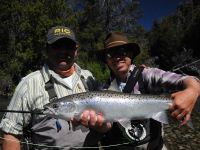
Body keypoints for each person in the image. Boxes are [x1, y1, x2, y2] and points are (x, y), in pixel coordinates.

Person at [0, 26, 111, 150]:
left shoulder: (89, 77)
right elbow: (11, 135)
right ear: (47, 49)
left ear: (76, 50)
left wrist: (101, 126)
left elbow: (106, 125)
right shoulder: (28, 84)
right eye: (57, 46)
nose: (63, 51)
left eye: (68, 47)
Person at [97, 32, 200, 149]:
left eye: (122, 51)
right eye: (111, 54)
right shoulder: (103, 90)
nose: (117, 57)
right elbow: (106, 125)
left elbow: (187, 80)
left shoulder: (147, 74)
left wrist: (192, 91)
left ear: (131, 54)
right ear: (106, 60)